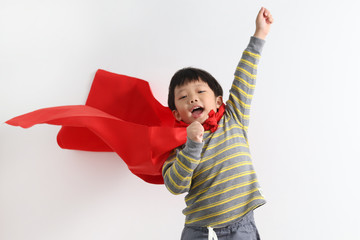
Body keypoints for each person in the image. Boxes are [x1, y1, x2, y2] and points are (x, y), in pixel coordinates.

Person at [162, 7, 274, 240]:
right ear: (177, 115)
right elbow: (175, 185)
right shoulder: (177, 145)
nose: (193, 98)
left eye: (200, 91)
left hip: (241, 227)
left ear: (218, 101)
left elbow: (245, 76)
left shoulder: (233, 118)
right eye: (183, 97)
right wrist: (192, 144)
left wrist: (259, 35)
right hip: (200, 232)